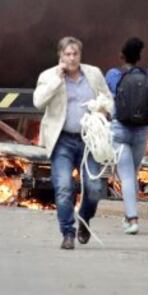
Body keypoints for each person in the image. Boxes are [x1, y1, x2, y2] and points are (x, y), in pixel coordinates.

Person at [33, 36, 114, 250]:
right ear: (60, 55)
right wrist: (56, 81)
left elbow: (108, 98)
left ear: (80, 54)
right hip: (62, 141)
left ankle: (85, 220)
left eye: (75, 54)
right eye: (67, 54)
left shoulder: (93, 73)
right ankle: (67, 233)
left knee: (94, 188)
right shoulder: (49, 76)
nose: (71, 58)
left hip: (90, 141)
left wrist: (105, 110)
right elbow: (38, 102)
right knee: (63, 187)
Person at [106, 37, 148, 235]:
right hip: (141, 132)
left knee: (126, 175)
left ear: (121, 56)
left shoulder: (113, 75)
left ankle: (132, 218)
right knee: (131, 174)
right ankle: (129, 215)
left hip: (119, 131)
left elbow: (103, 99)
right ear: (139, 57)